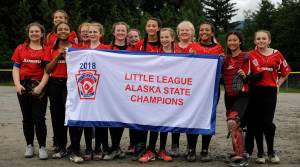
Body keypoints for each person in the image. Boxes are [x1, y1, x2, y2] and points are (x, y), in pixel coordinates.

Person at [246, 30, 291, 164]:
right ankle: (260, 153)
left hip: (270, 92)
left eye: (264, 38)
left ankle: (271, 152)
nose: (261, 41)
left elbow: (286, 71)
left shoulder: (277, 54)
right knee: (256, 123)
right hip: (254, 91)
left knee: (267, 122)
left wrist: (278, 84)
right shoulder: (250, 55)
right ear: (255, 41)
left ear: (269, 40)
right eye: (258, 39)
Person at [43, 22, 84, 164]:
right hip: (55, 84)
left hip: (72, 85)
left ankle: (75, 150)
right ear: (55, 32)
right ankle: (61, 147)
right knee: (57, 116)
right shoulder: (50, 48)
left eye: (65, 29)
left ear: (70, 31)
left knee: (73, 116)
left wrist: (69, 56)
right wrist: (58, 56)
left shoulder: (77, 48)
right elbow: (47, 70)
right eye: (60, 29)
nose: (63, 31)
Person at [223, 31, 262, 167]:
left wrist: (246, 77)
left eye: (235, 40)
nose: (232, 42)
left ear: (240, 42)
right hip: (228, 95)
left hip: (243, 95)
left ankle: (241, 155)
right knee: (232, 124)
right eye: (229, 40)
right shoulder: (225, 59)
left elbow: (259, 75)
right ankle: (239, 152)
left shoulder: (248, 56)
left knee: (234, 121)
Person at [138, 28, 176, 163]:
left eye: (167, 37)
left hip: (171, 92)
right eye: (162, 38)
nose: (164, 40)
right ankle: (151, 150)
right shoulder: (155, 54)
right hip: (155, 92)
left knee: (165, 121)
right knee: (154, 120)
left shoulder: (180, 54)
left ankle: (162, 150)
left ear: (172, 38)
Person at [12, 22, 49, 160]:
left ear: (42, 33)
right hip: (23, 85)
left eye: (37, 31)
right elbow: (16, 68)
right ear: (28, 33)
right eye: (31, 31)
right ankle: (29, 145)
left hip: (39, 85)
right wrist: (17, 84)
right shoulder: (21, 48)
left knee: (39, 118)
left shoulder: (46, 49)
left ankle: (42, 147)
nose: (34, 33)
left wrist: (40, 87)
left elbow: (47, 71)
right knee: (27, 118)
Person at [131, 18, 162, 161]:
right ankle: (140, 146)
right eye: (148, 25)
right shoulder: (139, 44)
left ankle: (152, 147)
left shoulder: (164, 44)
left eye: (153, 26)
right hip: (142, 86)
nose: (151, 28)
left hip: (159, 86)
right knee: (141, 116)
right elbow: (129, 60)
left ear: (158, 28)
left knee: (155, 117)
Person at [80, 22, 110, 161]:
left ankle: (98, 147)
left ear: (100, 34)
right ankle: (88, 147)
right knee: (87, 118)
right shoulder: (80, 49)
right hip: (86, 87)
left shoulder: (107, 48)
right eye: (90, 32)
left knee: (99, 119)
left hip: (102, 88)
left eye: (95, 32)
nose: (92, 34)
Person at [173, 20, 202, 162]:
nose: (184, 32)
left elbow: (205, 67)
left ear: (192, 32)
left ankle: (191, 148)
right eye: (181, 30)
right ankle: (175, 145)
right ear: (177, 33)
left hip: (192, 89)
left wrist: (197, 56)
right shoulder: (172, 47)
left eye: (187, 30)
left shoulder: (198, 47)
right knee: (174, 116)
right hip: (173, 88)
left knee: (191, 117)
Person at [102, 22, 130, 160]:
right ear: (113, 32)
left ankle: (115, 147)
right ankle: (108, 147)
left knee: (119, 117)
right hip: (108, 87)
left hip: (125, 88)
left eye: (122, 30)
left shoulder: (133, 49)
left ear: (126, 33)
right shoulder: (106, 48)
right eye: (117, 30)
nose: (120, 32)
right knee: (107, 117)